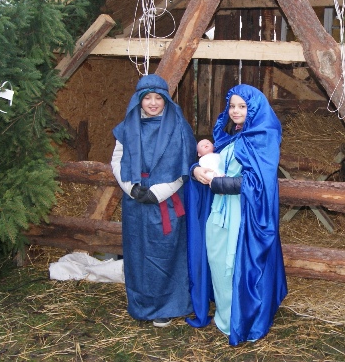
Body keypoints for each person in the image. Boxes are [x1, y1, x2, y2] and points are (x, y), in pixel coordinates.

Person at [185, 84, 287, 345]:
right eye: (232, 106)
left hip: (244, 215)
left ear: (254, 108)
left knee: (236, 265)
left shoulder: (264, 138)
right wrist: (196, 169)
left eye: (242, 106)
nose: (235, 111)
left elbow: (257, 183)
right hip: (220, 210)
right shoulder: (234, 136)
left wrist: (217, 183)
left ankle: (242, 321)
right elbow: (215, 161)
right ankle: (225, 315)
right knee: (219, 261)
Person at [111, 74, 196, 328]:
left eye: (158, 98)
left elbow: (185, 167)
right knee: (138, 253)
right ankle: (141, 305)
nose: (152, 103)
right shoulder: (128, 127)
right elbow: (117, 159)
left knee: (165, 253)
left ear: (166, 99)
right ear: (139, 100)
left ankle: (166, 307)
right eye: (147, 97)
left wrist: (158, 193)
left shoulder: (179, 127)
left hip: (166, 202)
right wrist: (131, 189)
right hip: (135, 202)